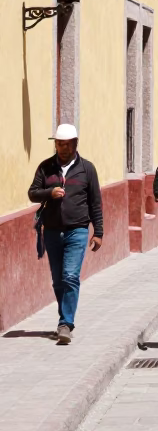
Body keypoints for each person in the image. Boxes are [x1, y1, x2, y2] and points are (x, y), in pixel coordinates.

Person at [27, 124, 104, 345]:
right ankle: (64, 319)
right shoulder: (46, 168)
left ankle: (66, 323)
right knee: (58, 280)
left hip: (77, 230)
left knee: (70, 276)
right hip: (51, 231)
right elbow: (32, 193)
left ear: (75, 144)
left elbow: (95, 203)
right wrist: (49, 193)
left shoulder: (87, 169)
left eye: (66, 144)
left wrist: (98, 232)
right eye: (59, 144)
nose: (62, 148)